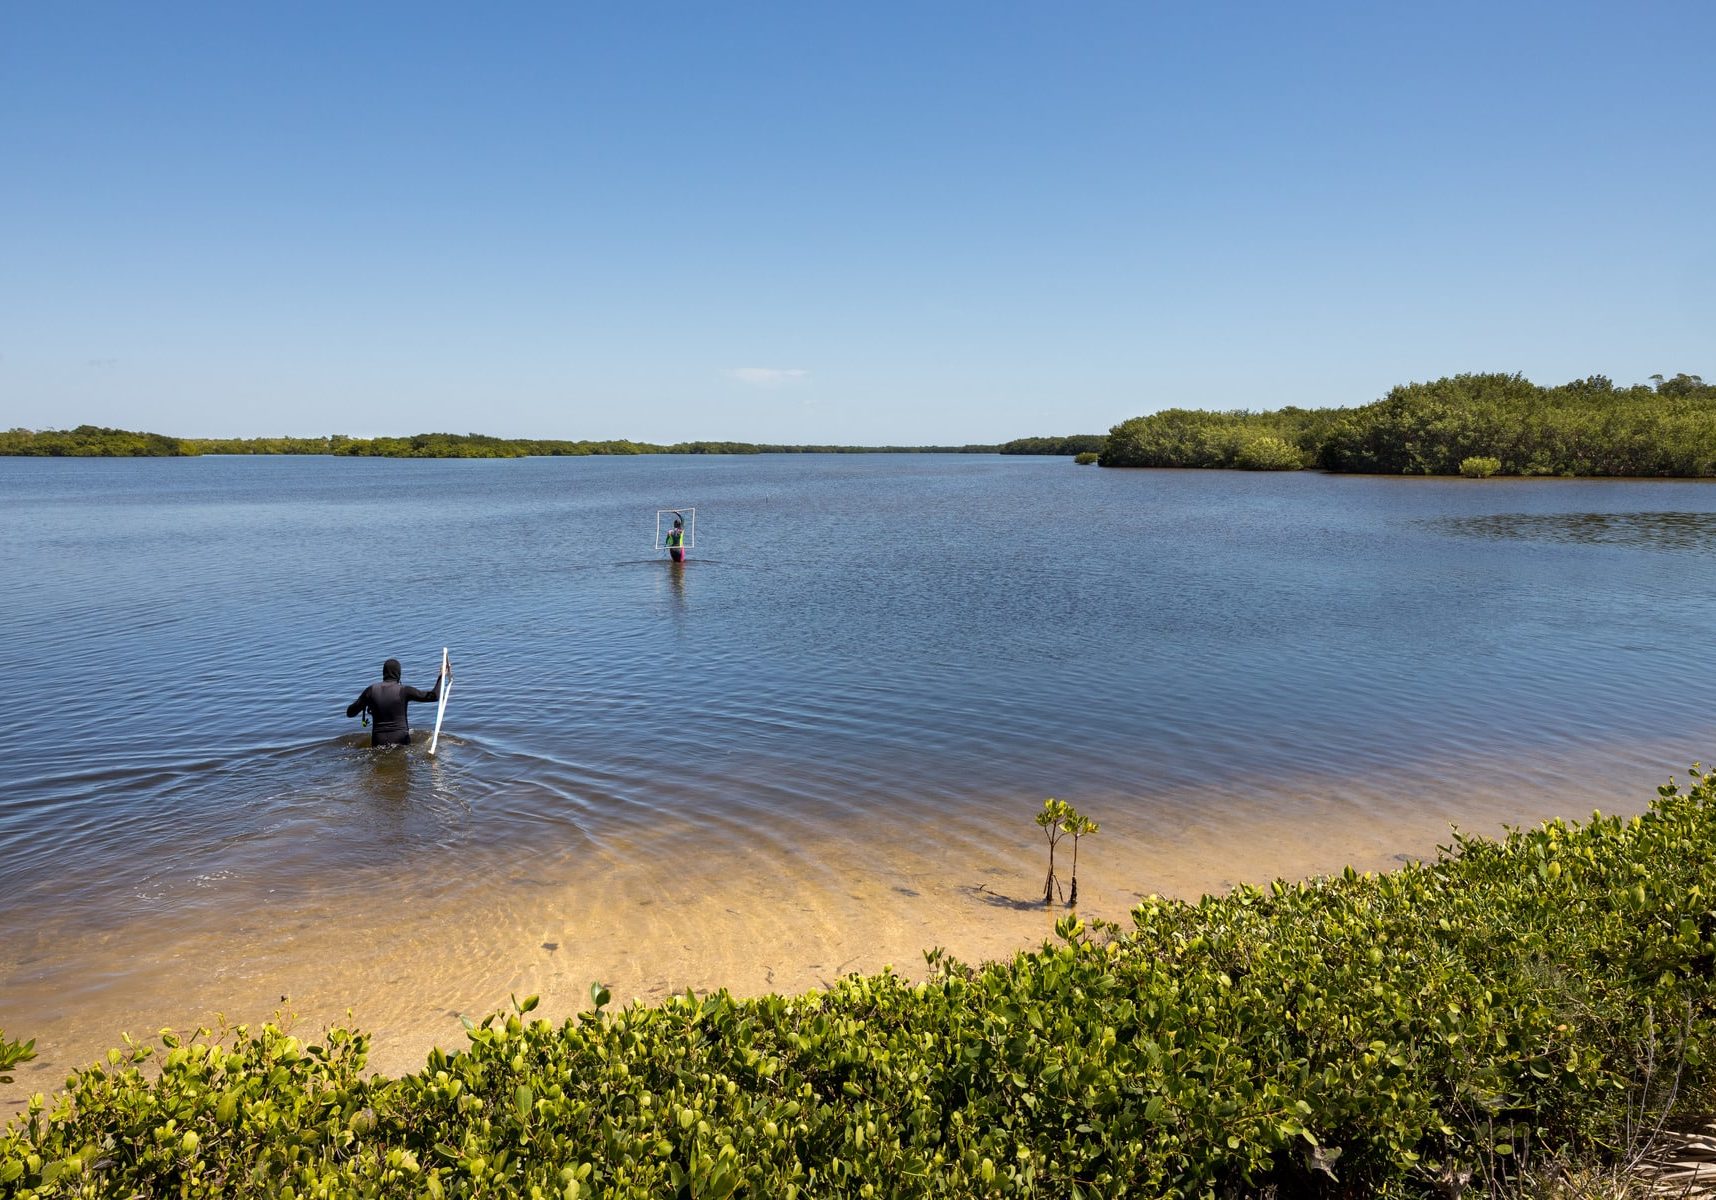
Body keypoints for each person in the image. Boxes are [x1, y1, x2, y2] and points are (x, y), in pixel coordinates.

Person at [346, 657, 447, 747]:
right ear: (399, 674)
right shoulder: (404, 690)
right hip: (401, 739)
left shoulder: (371, 691)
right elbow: (434, 696)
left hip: (378, 741)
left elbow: (350, 713)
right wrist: (441, 676)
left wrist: (364, 703)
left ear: (383, 673)